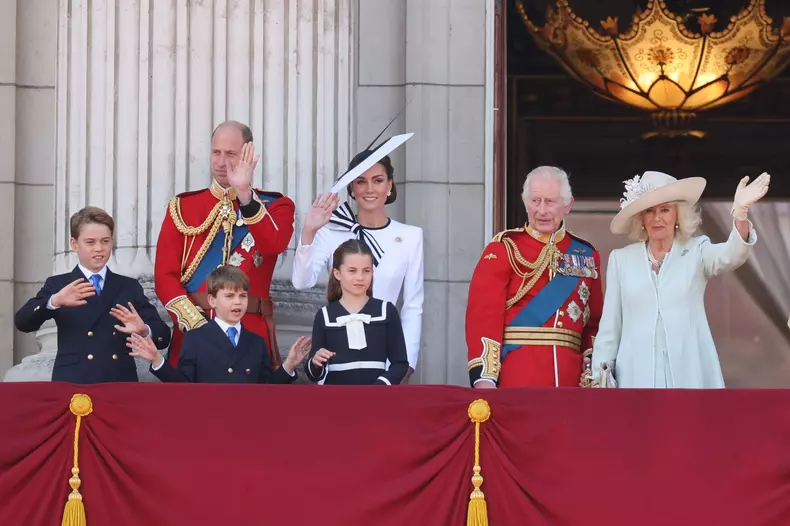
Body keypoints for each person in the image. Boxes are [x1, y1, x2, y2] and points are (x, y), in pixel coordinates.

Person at [587, 171, 770, 388]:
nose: (657, 218)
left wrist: (740, 214)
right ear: (641, 218)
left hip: (689, 373)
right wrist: (599, 379)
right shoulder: (622, 259)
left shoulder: (697, 251)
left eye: (665, 210)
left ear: (677, 215)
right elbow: (610, 328)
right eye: (649, 211)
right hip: (636, 377)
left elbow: (731, 255)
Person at [154, 121, 295, 369]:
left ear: (248, 156)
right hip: (193, 333)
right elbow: (165, 276)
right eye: (216, 152)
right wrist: (196, 325)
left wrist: (245, 196)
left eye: (231, 154)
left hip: (249, 333)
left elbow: (274, 245)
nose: (221, 162)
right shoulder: (182, 207)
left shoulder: (276, 207)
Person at [291, 150, 423, 383]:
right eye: (361, 181)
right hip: (337, 354)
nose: (369, 189)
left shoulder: (411, 236)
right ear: (352, 188)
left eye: (378, 180)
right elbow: (302, 282)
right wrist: (309, 231)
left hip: (386, 358)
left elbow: (412, 305)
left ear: (390, 185)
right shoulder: (331, 231)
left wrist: (407, 365)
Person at [465, 166, 603, 388]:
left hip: (570, 381)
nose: (541, 210)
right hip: (517, 375)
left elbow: (594, 323)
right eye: (535, 201)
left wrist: (591, 368)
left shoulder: (586, 254)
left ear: (568, 205)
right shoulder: (505, 248)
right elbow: (483, 317)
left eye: (550, 202)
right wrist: (485, 378)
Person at [14, 206, 171, 383]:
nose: (99, 248)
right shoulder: (58, 284)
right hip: (73, 381)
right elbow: (23, 322)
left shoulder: (128, 286)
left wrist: (144, 330)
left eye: (105, 241)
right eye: (90, 242)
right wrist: (54, 301)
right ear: (74, 244)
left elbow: (163, 335)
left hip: (118, 381)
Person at [129, 266, 310, 384]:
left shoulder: (256, 342)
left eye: (242, 296)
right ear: (212, 300)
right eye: (229, 296)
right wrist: (157, 360)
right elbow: (183, 385)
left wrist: (289, 365)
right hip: (208, 424)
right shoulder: (196, 338)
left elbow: (266, 389)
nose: (237, 303)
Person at [305, 240, 409, 385]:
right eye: (352, 271)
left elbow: (400, 363)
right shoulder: (325, 315)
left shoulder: (386, 311)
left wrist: (380, 386)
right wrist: (316, 363)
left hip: (376, 399)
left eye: (366, 271)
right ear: (337, 273)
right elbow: (313, 374)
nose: (360, 277)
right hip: (337, 400)